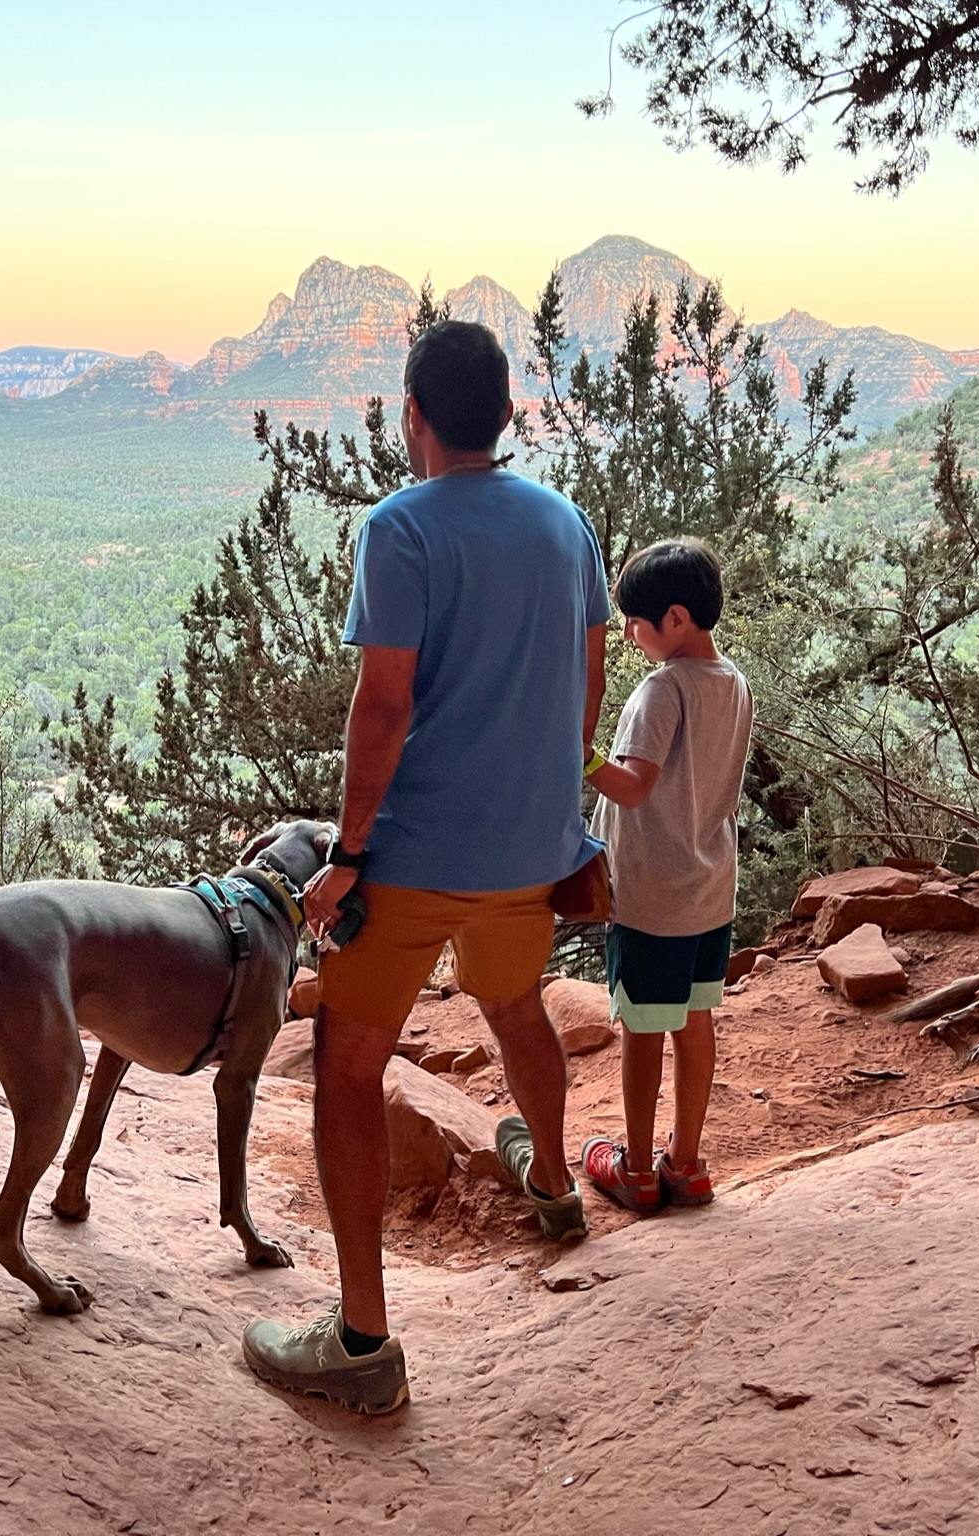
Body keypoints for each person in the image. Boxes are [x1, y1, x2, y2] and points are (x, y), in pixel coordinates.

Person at [240, 320, 610, 1415]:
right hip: (531, 849)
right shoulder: (565, 524)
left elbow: (384, 705)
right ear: (506, 413)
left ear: (414, 415)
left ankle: (360, 1340)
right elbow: (585, 682)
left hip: (414, 858)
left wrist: (350, 852)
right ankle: (551, 1184)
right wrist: (557, 808)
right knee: (517, 1008)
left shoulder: (400, 528)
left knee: (348, 1068)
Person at [579, 538, 753, 1213]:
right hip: (708, 888)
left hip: (651, 893)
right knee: (696, 1017)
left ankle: (637, 1169)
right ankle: (686, 1163)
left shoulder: (662, 689)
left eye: (636, 620)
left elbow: (631, 788)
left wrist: (580, 755)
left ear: (674, 618)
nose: (628, 632)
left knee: (642, 1028)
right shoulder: (730, 681)